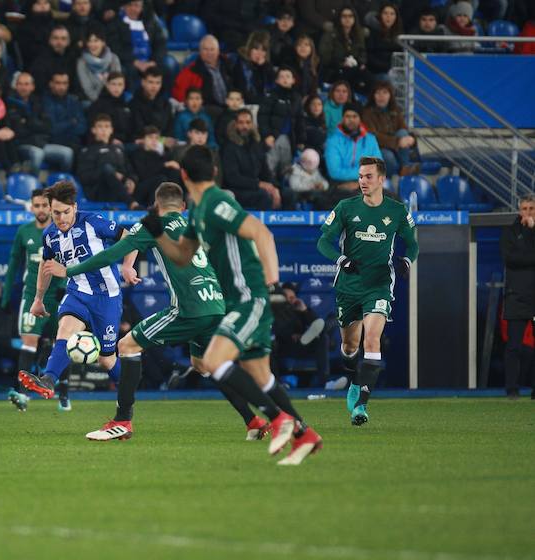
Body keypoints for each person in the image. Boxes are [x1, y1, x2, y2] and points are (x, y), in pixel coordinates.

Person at [47, 182, 274, 442]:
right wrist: (129, 266)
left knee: (127, 345)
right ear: (183, 207)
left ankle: (122, 421)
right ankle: (254, 421)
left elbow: (111, 253)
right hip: (216, 304)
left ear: (156, 206)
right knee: (204, 364)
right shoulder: (193, 226)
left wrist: (70, 271)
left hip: (189, 308)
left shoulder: (153, 225)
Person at [142, 145, 323, 465]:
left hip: (248, 298)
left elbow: (260, 232)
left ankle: (278, 418)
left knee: (212, 361)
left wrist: (270, 283)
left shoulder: (217, 202)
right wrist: (157, 233)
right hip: (236, 301)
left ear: (183, 175)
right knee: (262, 377)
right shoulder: (198, 210)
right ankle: (305, 435)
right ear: (213, 170)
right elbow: (183, 256)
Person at [17, 181, 140, 410]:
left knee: (106, 359)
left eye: (66, 212)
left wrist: (127, 266)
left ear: (74, 207)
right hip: (77, 292)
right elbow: (47, 265)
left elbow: (131, 237)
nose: (61, 218)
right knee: (64, 331)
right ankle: (48, 380)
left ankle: (127, 399)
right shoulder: (49, 235)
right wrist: (38, 299)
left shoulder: (93, 222)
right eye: (56, 213)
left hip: (107, 296)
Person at [317, 156, 418, 425]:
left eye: (368, 176)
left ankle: (361, 406)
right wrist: (341, 259)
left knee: (371, 340)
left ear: (382, 179)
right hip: (349, 286)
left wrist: (407, 260)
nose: (363, 181)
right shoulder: (345, 207)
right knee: (350, 345)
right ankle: (352, 380)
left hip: (380, 285)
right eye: (361, 176)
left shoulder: (397, 211)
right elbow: (323, 241)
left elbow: (412, 243)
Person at [4, 189, 68, 410]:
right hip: (32, 296)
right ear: (31, 207)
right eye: (36, 205)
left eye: (44, 205)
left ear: (50, 208)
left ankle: (64, 396)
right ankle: (23, 395)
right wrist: (5, 297)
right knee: (29, 341)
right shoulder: (24, 232)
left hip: (58, 297)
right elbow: (14, 265)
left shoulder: (60, 231)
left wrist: (62, 287)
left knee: (62, 342)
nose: (40, 209)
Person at [499, 195, 535, 399]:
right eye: (524, 208)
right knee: (513, 346)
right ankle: (512, 389)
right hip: (516, 297)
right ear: (519, 210)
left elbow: (518, 258)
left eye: (531, 208)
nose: (528, 212)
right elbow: (509, 259)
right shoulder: (510, 232)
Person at [7, 72, 72, 173]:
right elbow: (18, 131)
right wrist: (36, 126)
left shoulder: (38, 102)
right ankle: (34, 185)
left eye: (26, 84)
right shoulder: (10, 103)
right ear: (16, 86)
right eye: (20, 84)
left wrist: (28, 122)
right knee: (37, 153)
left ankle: (60, 186)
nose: (23, 87)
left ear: (32, 87)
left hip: (41, 143)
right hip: (21, 145)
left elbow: (48, 126)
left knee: (67, 153)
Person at [220, 109, 286, 210]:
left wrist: (274, 188)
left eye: (248, 122)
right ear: (235, 124)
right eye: (241, 123)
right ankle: (259, 225)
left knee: (287, 194)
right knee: (264, 196)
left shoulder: (256, 145)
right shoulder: (228, 147)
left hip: (254, 187)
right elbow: (232, 178)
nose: (245, 126)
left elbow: (265, 172)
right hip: (236, 190)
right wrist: (258, 184)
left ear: (252, 124)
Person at [271, 283, 329, 387]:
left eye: (292, 297)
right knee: (272, 342)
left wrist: (305, 310)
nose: (289, 300)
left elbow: (318, 326)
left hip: (300, 345)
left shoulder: (299, 310)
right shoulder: (275, 310)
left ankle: (325, 382)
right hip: (283, 346)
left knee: (322, 337)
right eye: (286, 297)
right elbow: (276, 329)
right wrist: (291, 335)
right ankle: (277, 383)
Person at [325, 102, 383, 198]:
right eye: (347, 116)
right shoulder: (333, 140)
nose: (351, 120)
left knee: (391, 198)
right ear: (342, 118)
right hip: (339, 185)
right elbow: (334, 172)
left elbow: (379, 167)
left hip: (367, 184)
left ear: (360, 118)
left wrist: (359, 183)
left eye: (354, 116)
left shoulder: (370, 139)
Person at [362, 81, 419, 176]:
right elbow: (373, 136)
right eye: (378, 93)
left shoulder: (395, 110)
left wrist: (412, 139)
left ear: (390, 96)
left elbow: (404, 129)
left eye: (385, 92)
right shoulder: (367, 113)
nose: (381, 96)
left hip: (395, 146)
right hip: (377, 147)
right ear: (373, 96)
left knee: (403, 133)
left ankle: (405, 167)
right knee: (389, 157)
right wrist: (397, 142)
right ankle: (397, 173)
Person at [76, 114, 135, 204]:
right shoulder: (87, 151)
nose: (104, 130)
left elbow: (129, 170)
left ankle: (156, 211)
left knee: (158, 178)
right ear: (93, 130)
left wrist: (131, 180)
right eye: (100, 126)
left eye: (107, 126)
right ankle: (131, 203)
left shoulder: (118, 149)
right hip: (99, 191)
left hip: (121, 189)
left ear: (111, 130)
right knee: (106, 169)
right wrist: (111, 173)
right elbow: (84, 177)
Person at [106, 0, 167, 87]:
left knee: (169, 64)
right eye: (129, 5)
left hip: (151, 60)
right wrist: (135, 62)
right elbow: (115, 47)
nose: (133, 8)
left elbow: (161, 43)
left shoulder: (150, 21)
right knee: (128, 70)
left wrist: (154, 61)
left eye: (136, 5)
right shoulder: (116, 22)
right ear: (124, 7)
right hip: (128, 61)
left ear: (142, 7)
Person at [257, 66, 304, 180]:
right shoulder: (271, 95)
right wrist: (267, 135)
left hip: (290, 138)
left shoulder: (297, 97)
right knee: (270, 168)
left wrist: (301, 140)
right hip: (274, 137)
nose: (285, 79)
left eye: (288, 76)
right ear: (276, 80)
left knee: (286, 170)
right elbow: (262, 116)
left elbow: (299, 120)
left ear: (293, 80)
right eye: (281, 76)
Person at [171, 35, 236, 117]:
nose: (209, 53)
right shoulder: (191, 71)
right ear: (200, 51)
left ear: (218, 51)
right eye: (205, 49)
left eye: (212, 49)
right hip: (208, 109)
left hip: (233, 104)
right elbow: (179, 94)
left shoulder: (229, 66)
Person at [319, 5, 371, 94]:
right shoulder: (330, 34)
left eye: (350, 16)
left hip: (355, 68)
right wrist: (341, 63)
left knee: (370, 79)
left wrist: (361, 62)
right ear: (339, 18)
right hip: (335, 70)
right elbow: (325, 57)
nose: (347, 19)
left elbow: (362, 52)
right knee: (347, 75)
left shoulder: (359, 35)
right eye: (344, 16)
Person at [42, 71, 87, 157]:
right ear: (51, 84)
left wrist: (65, 126)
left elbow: (83, 127)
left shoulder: (74, 101)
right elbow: (52, 129)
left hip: (75, 142)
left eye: (65, 83)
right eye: (58, 83)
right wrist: (71, 122)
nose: (62, 87)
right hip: (55, 142)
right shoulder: (46, 102)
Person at [76, 27, 122, 103]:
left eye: (96, 41)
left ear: (103, 42)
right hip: (93, 101)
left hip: (113, 99)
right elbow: (88, 89)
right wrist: (101, 103)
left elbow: (117, 83)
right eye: (89, 41)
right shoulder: (82, 62)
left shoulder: (114, 58)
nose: (92, 44)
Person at [29, 24, 79, 93]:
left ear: (68, 42)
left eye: (63, 39)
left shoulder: (73, 60)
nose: (59, 42)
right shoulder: (40, 60)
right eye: (55, 38)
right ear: (50, 40)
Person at [86, 71, 133, 144]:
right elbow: (92, 130)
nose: (117, 88)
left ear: (124, 87)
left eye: (120, 84)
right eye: (113, 84)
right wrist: (111, 140)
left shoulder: (127, 105)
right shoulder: (98, 105)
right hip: (106, 142)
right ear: (107, 85)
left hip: (126, 142)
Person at [129, 66, 174, 140]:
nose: (154, 86)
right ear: (143, 82)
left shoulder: (166, 104)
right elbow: (138, 131)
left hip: (162, 145)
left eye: (157, 83)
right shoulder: (134, 104)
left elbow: (169, 131)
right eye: (151, 82)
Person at [230, 32, 275, 105]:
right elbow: (244, 92)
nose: (259, 53)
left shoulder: (267, 66)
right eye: (256, 49)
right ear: (249, 48)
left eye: (263, 50)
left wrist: (264, 67)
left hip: (263, 104)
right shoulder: (240, 64)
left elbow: (272, 87)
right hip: (245, 104)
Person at [367, 3, 403, 78]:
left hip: (396, 71)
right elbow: (370, 57)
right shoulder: (372, 33)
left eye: (392, 14)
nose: (388, 16)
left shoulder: (400, 35)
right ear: (380, 15)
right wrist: (387, 68)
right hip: (376, 72)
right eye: (385, 13)